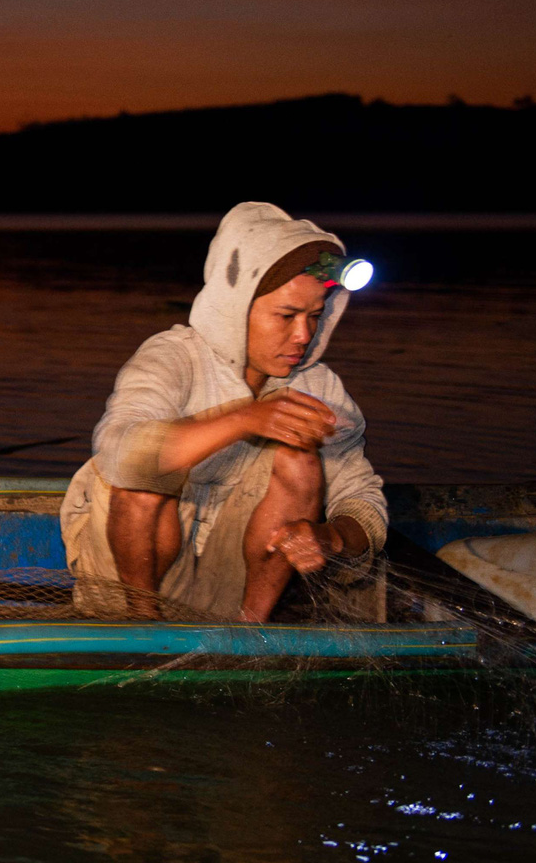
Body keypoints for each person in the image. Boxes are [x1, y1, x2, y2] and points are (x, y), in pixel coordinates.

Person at [60, 202, 387, 623]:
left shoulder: (319, 387)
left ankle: (251, 633)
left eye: (314, 316)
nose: (303, 335)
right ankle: (141, 623)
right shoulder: (173, 358)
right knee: (144, 462)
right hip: (124, 588)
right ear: (236, 309)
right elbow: (117, 453)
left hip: (229, 592)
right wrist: (245, 419)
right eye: (286, 316)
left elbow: (363, 499)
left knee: (299, 457)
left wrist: (331, 537)